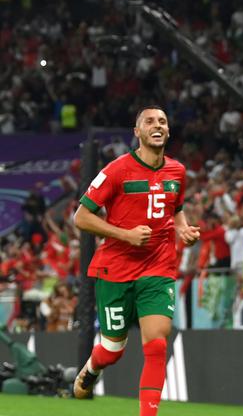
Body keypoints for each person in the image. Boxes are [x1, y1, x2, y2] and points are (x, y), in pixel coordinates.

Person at [72, 106, 201, 416]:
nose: (157, 125)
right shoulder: (117, 170)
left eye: (162, 121)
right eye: (149, 121)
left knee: (157, 343)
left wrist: (182, 228)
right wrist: (124, 235)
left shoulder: (177, 172)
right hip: (116, 268)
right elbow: (81, 217)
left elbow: (175, 207)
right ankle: (92, 367)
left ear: (168, 131)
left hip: (158, 266)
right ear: (138, 132)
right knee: (113, 349)